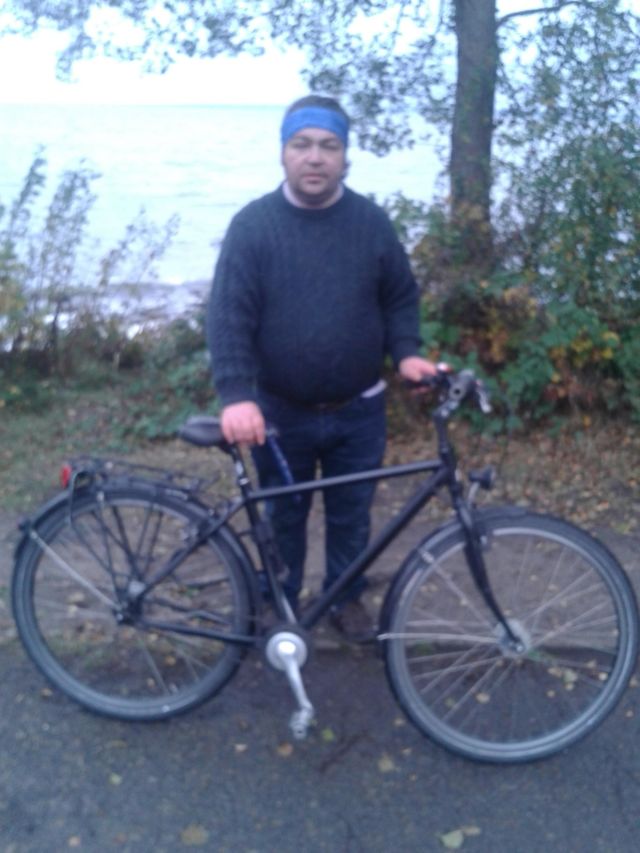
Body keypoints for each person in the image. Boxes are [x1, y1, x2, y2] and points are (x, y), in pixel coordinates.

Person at [206, 94, 436, 640]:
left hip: (359, 409)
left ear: (345, 156)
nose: (315, 157)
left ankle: (344, 600)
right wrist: (236, 394)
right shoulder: (253, 226)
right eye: (302, 144)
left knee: (351, 515)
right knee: (283, 516)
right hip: (279, 411)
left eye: (329, 146)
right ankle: (281, 607)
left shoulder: (371, 223)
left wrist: (407, 352)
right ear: (283, 153)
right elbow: (228, 315)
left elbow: (399, 298)